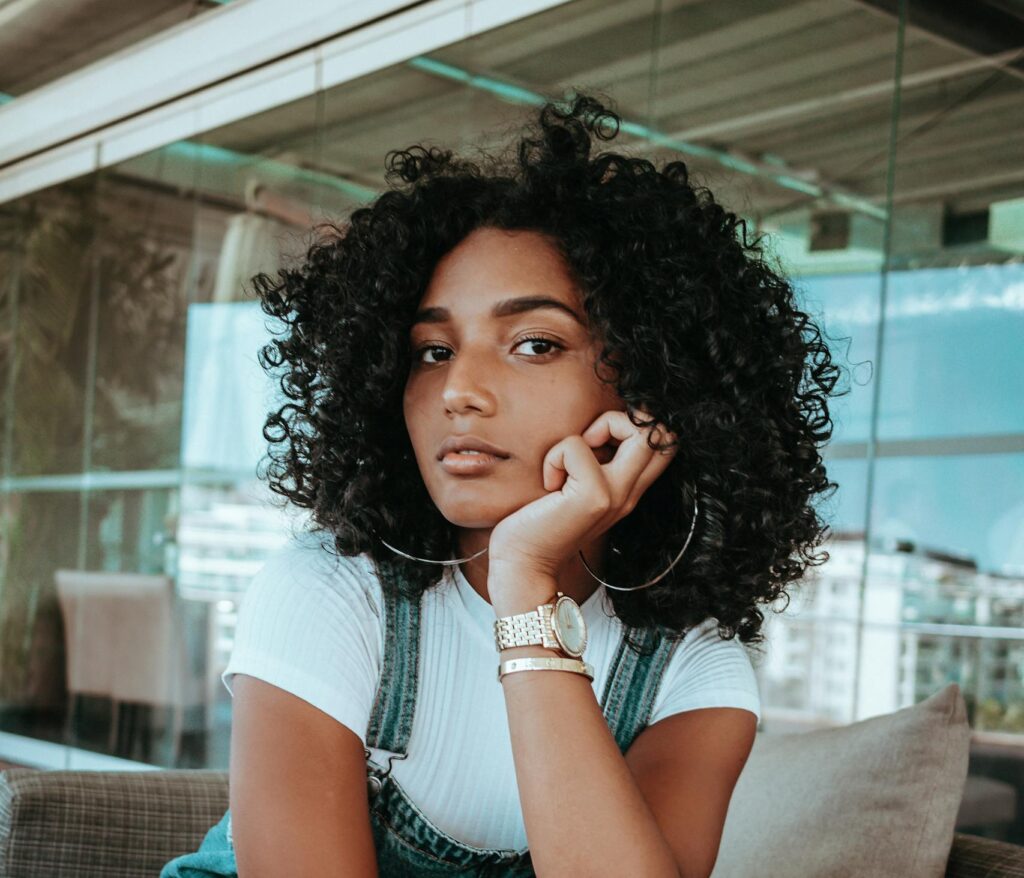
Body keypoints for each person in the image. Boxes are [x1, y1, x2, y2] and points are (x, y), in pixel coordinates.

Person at [161, 91, 845, 878]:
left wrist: (526, 587)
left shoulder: (691, 666)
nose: (460, 392)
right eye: (432, 351)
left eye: (534, 343)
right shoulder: (330, 593)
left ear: (654, 386)